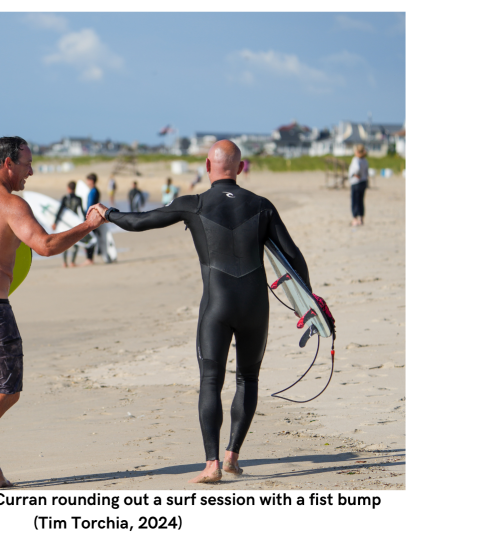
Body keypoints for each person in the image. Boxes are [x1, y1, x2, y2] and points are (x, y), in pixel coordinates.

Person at [93, 140, 316, 484]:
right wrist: (310, 303)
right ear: (240, 168)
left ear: (207, 166)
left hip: (217, 306)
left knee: (211, 380)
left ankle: (211, 464)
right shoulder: (262, 206)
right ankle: (232, 457)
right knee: (248, 379)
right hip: (256, 306)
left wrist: (108, 213)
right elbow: (294, 256)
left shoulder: (193, 204)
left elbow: (140, 222)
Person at [0, 136, 106, 490]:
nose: (31, 171)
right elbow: (44, 246)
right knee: (8, 391)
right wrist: (88, 226)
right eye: (27, 163)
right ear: (7, 164)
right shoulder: (10, 203)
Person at [52, 181, 85, 266]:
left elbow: (60, 211)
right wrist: (86, 221)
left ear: (68, 188)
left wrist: (55, 222)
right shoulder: (79, 199)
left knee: (64, 241)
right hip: (74, 223)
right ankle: (72, 262)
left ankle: (64, 262)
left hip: (65, 223)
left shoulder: (65, 198)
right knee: (76, 241)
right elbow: (81, 211)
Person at [348, 144, 369, 227]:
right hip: (363, 182)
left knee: (355, 202)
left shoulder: (356, 159)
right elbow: (367, 172)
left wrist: (355, 174)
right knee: (361, 201)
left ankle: (355, 219)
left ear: (357, 151)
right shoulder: (365, 160)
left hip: (356, 182)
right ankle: (361, 219)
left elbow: (356, 168)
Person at [83, 173, 101, 265]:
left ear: (91, 181)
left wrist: (87, 217)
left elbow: (91, 205)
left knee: (90, 237)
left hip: (91, 217)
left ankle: (89, 259)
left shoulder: (94, 191)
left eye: (87, 180)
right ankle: (90, 258)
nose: (86, 182)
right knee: (90, 237)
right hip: (92, 217)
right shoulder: (94, 190)